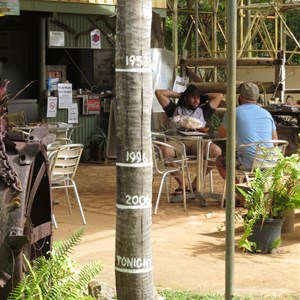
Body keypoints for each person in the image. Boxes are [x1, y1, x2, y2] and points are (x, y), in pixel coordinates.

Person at [216, 82, 278, 205]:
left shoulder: (234, 112)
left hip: (250, 162)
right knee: (246, 159)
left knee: (220, 161)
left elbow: (221, 134)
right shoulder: (267, 114)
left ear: (241, 97)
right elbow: (275, 142)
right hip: (269, 161)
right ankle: (248, 196)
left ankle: (241, 195)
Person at [155, 84, 224, 195]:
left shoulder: (204, 111)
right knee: (164, 150)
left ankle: (196, 183)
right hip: (178, 141)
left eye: (198, 97)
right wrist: (180, 95)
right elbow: (159, 93)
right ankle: (182, 183)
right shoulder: (174, 109)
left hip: (197, 141)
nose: (196, 100)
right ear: (186, 98)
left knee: (216, 151)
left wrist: (202, 96)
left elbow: (219, 96)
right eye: (192, 97)